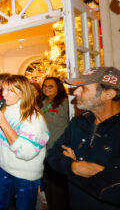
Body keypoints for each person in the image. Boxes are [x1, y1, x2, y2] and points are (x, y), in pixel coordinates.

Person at [47, 67, 120, 209]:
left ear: (108, 94)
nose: (75, 92)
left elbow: (113, 191)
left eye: (84, 88)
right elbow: (52, 155)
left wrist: (69, 170)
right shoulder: (78, 123)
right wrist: (73, 166)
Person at [0, 75, 49, 210]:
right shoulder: (5, 108)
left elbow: (26, 152)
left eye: (10, 91)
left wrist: (4, 124)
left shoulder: (34, 117)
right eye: (4, 89)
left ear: (22, 93)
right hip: (3, 168)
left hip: (24, 175)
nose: (3, 94)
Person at [37, 77, 70, 209]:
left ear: (58, 88)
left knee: (59, 186)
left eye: (50, 86)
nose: (47, 89)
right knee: (48, 182)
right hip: (43, 149)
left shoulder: (65, 103)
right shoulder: (41, 102)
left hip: (58, 149)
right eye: (45, 86)